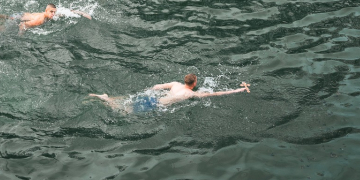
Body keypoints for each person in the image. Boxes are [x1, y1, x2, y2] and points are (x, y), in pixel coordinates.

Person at [90, 74, 251, 112]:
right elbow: (215, 94)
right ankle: (105, 99)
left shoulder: (175, 84)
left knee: (127, 100)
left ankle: (108, 97)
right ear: (194, 84)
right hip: (157, 104)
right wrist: (238, 90)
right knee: (124, 112)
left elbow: (157, 86)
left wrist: (149, 91)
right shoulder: (190, 94)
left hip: (152, 96)